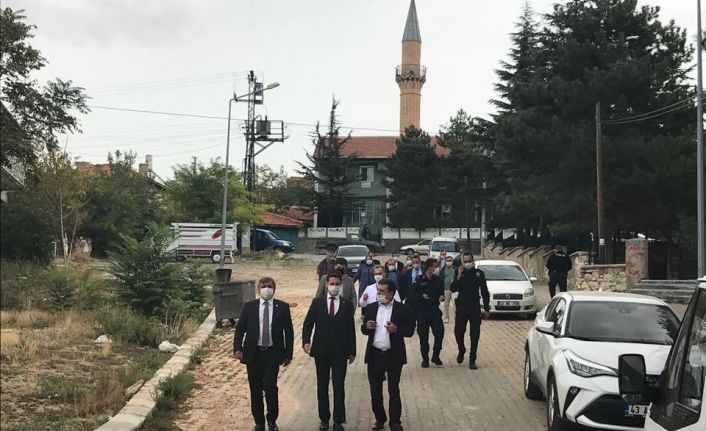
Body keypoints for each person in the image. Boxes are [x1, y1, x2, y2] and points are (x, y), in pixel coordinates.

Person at [234, 277, 294, 431]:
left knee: (270, 387)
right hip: (253, 354)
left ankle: (272, 420)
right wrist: (237, 348)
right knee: (255, 389)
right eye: (264, 286)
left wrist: (288, 354)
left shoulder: (282, 307)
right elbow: (240, 329)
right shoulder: (249, 307)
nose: (266, 289)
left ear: (274, 289)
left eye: (269, 286)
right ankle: (259, 422)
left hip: (272, 354)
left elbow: (289, 332)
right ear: (258, 289)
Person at [303, 273, 357, 431]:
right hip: (321, 351)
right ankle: (324, 419)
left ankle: (338, 420)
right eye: (331, 283)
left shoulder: (346, 305)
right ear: (326, 284)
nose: (334, 286)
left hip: (340, 351)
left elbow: (350, 329)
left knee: (339, 385)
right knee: (322, 385)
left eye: (337, 284)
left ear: (341, 285)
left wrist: (352, 351)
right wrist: (306, 341)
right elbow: (308, 323)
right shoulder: (317, 303)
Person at [361, 279, 415, 431]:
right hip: (375, 354)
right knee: (375, 391)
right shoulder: (371, 308)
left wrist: (397, 330)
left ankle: (395, 422)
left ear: (391, 293)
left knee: (393, 390)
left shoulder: (402, 309)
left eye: (382, 291)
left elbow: (410, 331)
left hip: (393, 355)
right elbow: (364, 330)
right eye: (378, 290)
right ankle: (380, 419)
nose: (378, 293)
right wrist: (366, 327)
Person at [450, 252, 490, 370]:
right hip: (462, 306)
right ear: (462, 262)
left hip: (474, 306)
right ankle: (461, 349)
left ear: (473, 261)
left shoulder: (479, 274)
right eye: (465, 261)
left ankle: (472, 359)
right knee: (458, 332)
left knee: (475, 333)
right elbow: (453, 289)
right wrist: (458, 276)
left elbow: (484, 291)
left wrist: (486, 308)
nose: (467, 263)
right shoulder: (459, 273)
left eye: (469, 261)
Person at [412, 258, 445, 368]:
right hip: (422, 311)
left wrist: (442, 297)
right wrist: (421, 296)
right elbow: (412, 294)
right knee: (423, 337)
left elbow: (441, 293)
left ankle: (436, 355)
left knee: (439, 334)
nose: (436, 268)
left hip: (435, 310)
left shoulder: (438, 280)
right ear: (429, 267)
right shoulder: (419, 280)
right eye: (434, 266)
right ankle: (425, 359)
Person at [439, 254, 455, 323]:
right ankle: (446, 318)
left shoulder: (455, 269)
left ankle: (456, 318)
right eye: (447, 261)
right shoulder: (443, 270)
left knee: (455, 304)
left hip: (454, 290)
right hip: (446, 289)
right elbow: (440, 280)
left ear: (452, 261)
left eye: (450, 260)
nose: (449, 262)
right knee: (446, 305)